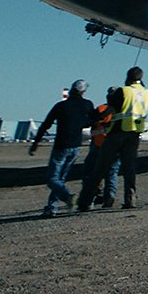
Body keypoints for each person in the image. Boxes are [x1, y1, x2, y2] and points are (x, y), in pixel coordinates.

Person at [79, 66, 148, 211]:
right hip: (134, 133)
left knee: (100, 167)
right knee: (129, 168)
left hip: (118, 132)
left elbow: (111, 109)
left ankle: (85, 201)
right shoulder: (147, 92)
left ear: (128, 77)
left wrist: (95, 118)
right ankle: (130, 199)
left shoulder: (124, 91)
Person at [29, 79, 95, 217]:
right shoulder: (87, 105)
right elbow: (93, 120)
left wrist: (36, 143)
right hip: (76, 146)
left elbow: (46, 124)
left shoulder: (61, 106)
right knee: (60, 178)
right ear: (83, 91)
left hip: (61, 145)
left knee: (52, 179)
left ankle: (66, 197)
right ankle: (52, 207)